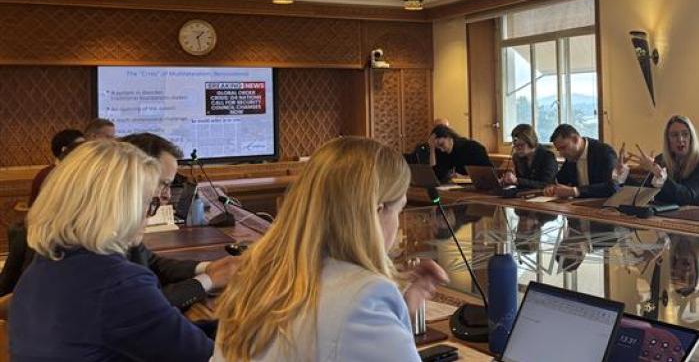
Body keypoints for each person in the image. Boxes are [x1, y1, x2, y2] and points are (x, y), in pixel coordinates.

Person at [213, 137, 449, 362]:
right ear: (375, 212)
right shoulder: (365, 297)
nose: (398, 225)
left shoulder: (253, 276)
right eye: (399, 210)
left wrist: (396, 317)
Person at [9, 140, 213, 360]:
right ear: (121, 208)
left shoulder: (42, 268)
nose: (149, 214)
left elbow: (162, 333)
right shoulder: (117, 283)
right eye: (148, 203)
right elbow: (205, 356)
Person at [121, 133, 242, 309]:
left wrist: (209, 268)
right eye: (164, 183)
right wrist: (210, 280)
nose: (168, 195)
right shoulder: (101, 240)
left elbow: (152, 263)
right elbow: (141, 307)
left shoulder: (125, 228)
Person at [624, 116, 699, 207]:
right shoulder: (661, 160)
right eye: (674, 135)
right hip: (670, 216)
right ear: (668, 140)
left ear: (691, 138)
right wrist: (624, 176)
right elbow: (645, 194)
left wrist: (661, 177)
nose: (680, 139)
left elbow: (687, 196)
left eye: (685, 134)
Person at [544, 124, 621, 199]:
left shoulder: (604, 152)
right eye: (559, 150)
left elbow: (612, 187)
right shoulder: (571, 156)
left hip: (603, 206)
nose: (561, 153)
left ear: (575, 139)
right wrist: (551, 187)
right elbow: (560, 180)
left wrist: (574, 191)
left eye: (563, 148)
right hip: (578, 206)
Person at [28, 128, 85, 205]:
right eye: (80, 147)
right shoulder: (47, 175)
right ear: (65, 150)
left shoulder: (82, 171)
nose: (86, 150)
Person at [500, 123, 558, 189]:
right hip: (525, 195)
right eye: (515, 146)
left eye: (521, 145)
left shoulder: (547, 156)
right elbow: (521, 184)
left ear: (531, 141)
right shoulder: (518, 157)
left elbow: (547, 184)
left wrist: (517, 181)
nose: (517, 149)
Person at [428, 124, 492, 181]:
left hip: (475, 187)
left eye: (442, 144)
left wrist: (464, 177)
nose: (441, 150)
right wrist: (432, 149)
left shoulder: (472, 148)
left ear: (449, 137)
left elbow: (489, 174)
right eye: (437, 148)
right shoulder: (441, 152)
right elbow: (434, 175)